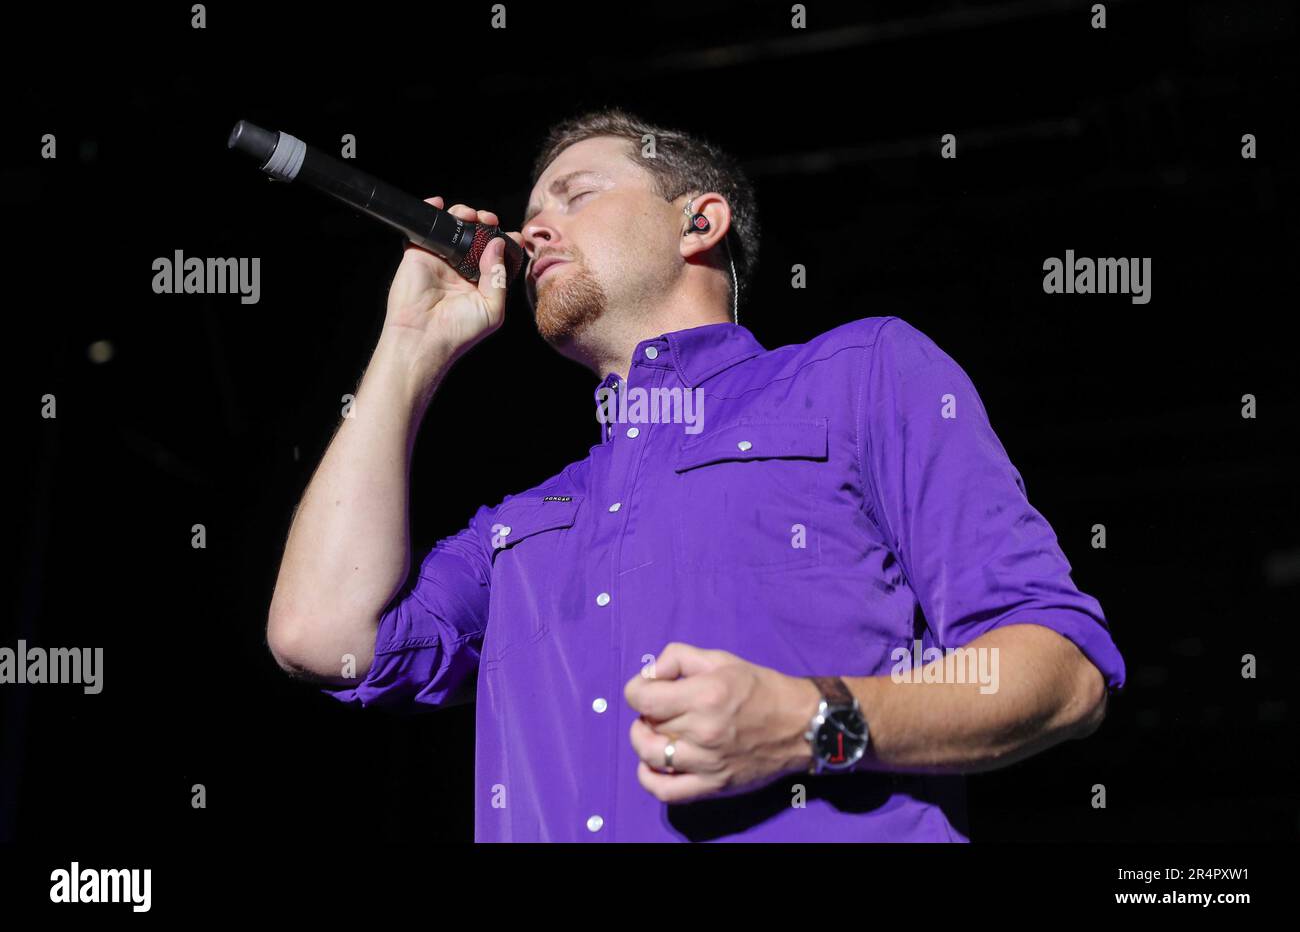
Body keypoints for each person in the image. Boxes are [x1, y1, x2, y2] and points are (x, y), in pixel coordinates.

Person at [266, 107, 1125, 842]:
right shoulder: (522, 523)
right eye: (531, 213)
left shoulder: (863, 374)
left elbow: (1060, 670)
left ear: (699, 222)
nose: (533, 231)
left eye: (577, 194)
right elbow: (317, 635)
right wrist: (410, 345)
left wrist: (808, 723)